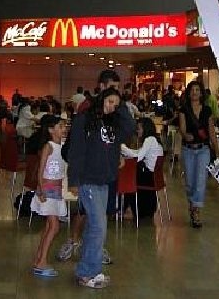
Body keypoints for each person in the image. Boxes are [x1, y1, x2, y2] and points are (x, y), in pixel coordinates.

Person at [67, 86, 134, 289]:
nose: (111, 106)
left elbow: (130, 128)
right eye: (109, 102)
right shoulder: (84, 120)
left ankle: (86, 271)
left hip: (104, 181)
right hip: (88, 180)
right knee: (98, 227)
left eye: (116, 103)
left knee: (94, 229)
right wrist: (74, 180)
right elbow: (75, 151)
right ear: (101, 99)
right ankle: (89, 272)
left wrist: (121, 107)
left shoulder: (114, 122)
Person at [178, 80, 219, 228]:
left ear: (201, 93)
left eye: (197, 90)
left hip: (203, 149)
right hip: (188, 150)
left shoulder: (207, 110)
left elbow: (211, 131)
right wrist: (186, 135)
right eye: (192, 90)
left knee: (200, 180)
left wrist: (217, 151)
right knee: (190, 182)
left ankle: (196, 210)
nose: (195, 93)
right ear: (189, 92)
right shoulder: (184, 110)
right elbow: (182, 128)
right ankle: (192, 204)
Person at [31, 115, 68, 278]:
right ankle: (42, 261)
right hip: (48, 189)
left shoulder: (63, 146)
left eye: (64, 126)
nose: (64, 129)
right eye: (60, 126)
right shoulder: (49, 146)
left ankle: (39, 257)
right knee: (54, 226)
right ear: (51, 130)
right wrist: (40, 187)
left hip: (57, 190)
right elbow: (41, 168)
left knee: (49, 226)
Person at [120, 116, 164, 220]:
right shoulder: (154, 140)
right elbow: (139, 153)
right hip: (154, 177)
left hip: (148, 177)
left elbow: (138, 157)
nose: (137, 131)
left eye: (139, 128)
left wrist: (122, 148)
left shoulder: (149, 139)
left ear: (145, 129)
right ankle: (131, 209)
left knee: (127, 178)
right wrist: (126, 150)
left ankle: (123, 209)